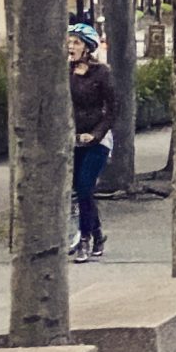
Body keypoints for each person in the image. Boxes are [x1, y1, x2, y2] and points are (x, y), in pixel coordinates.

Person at [69, 22, 118, 261]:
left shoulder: (102, 73)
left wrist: (96, 134)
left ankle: (85, 239)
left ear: (88, 48)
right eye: (69, 42)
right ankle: (97, 234)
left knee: (86, 185)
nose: (71, 47)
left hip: (97, 141)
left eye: (76, 43)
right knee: (79, 189)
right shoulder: (65, 72)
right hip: (73, 139)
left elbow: (112, 110)